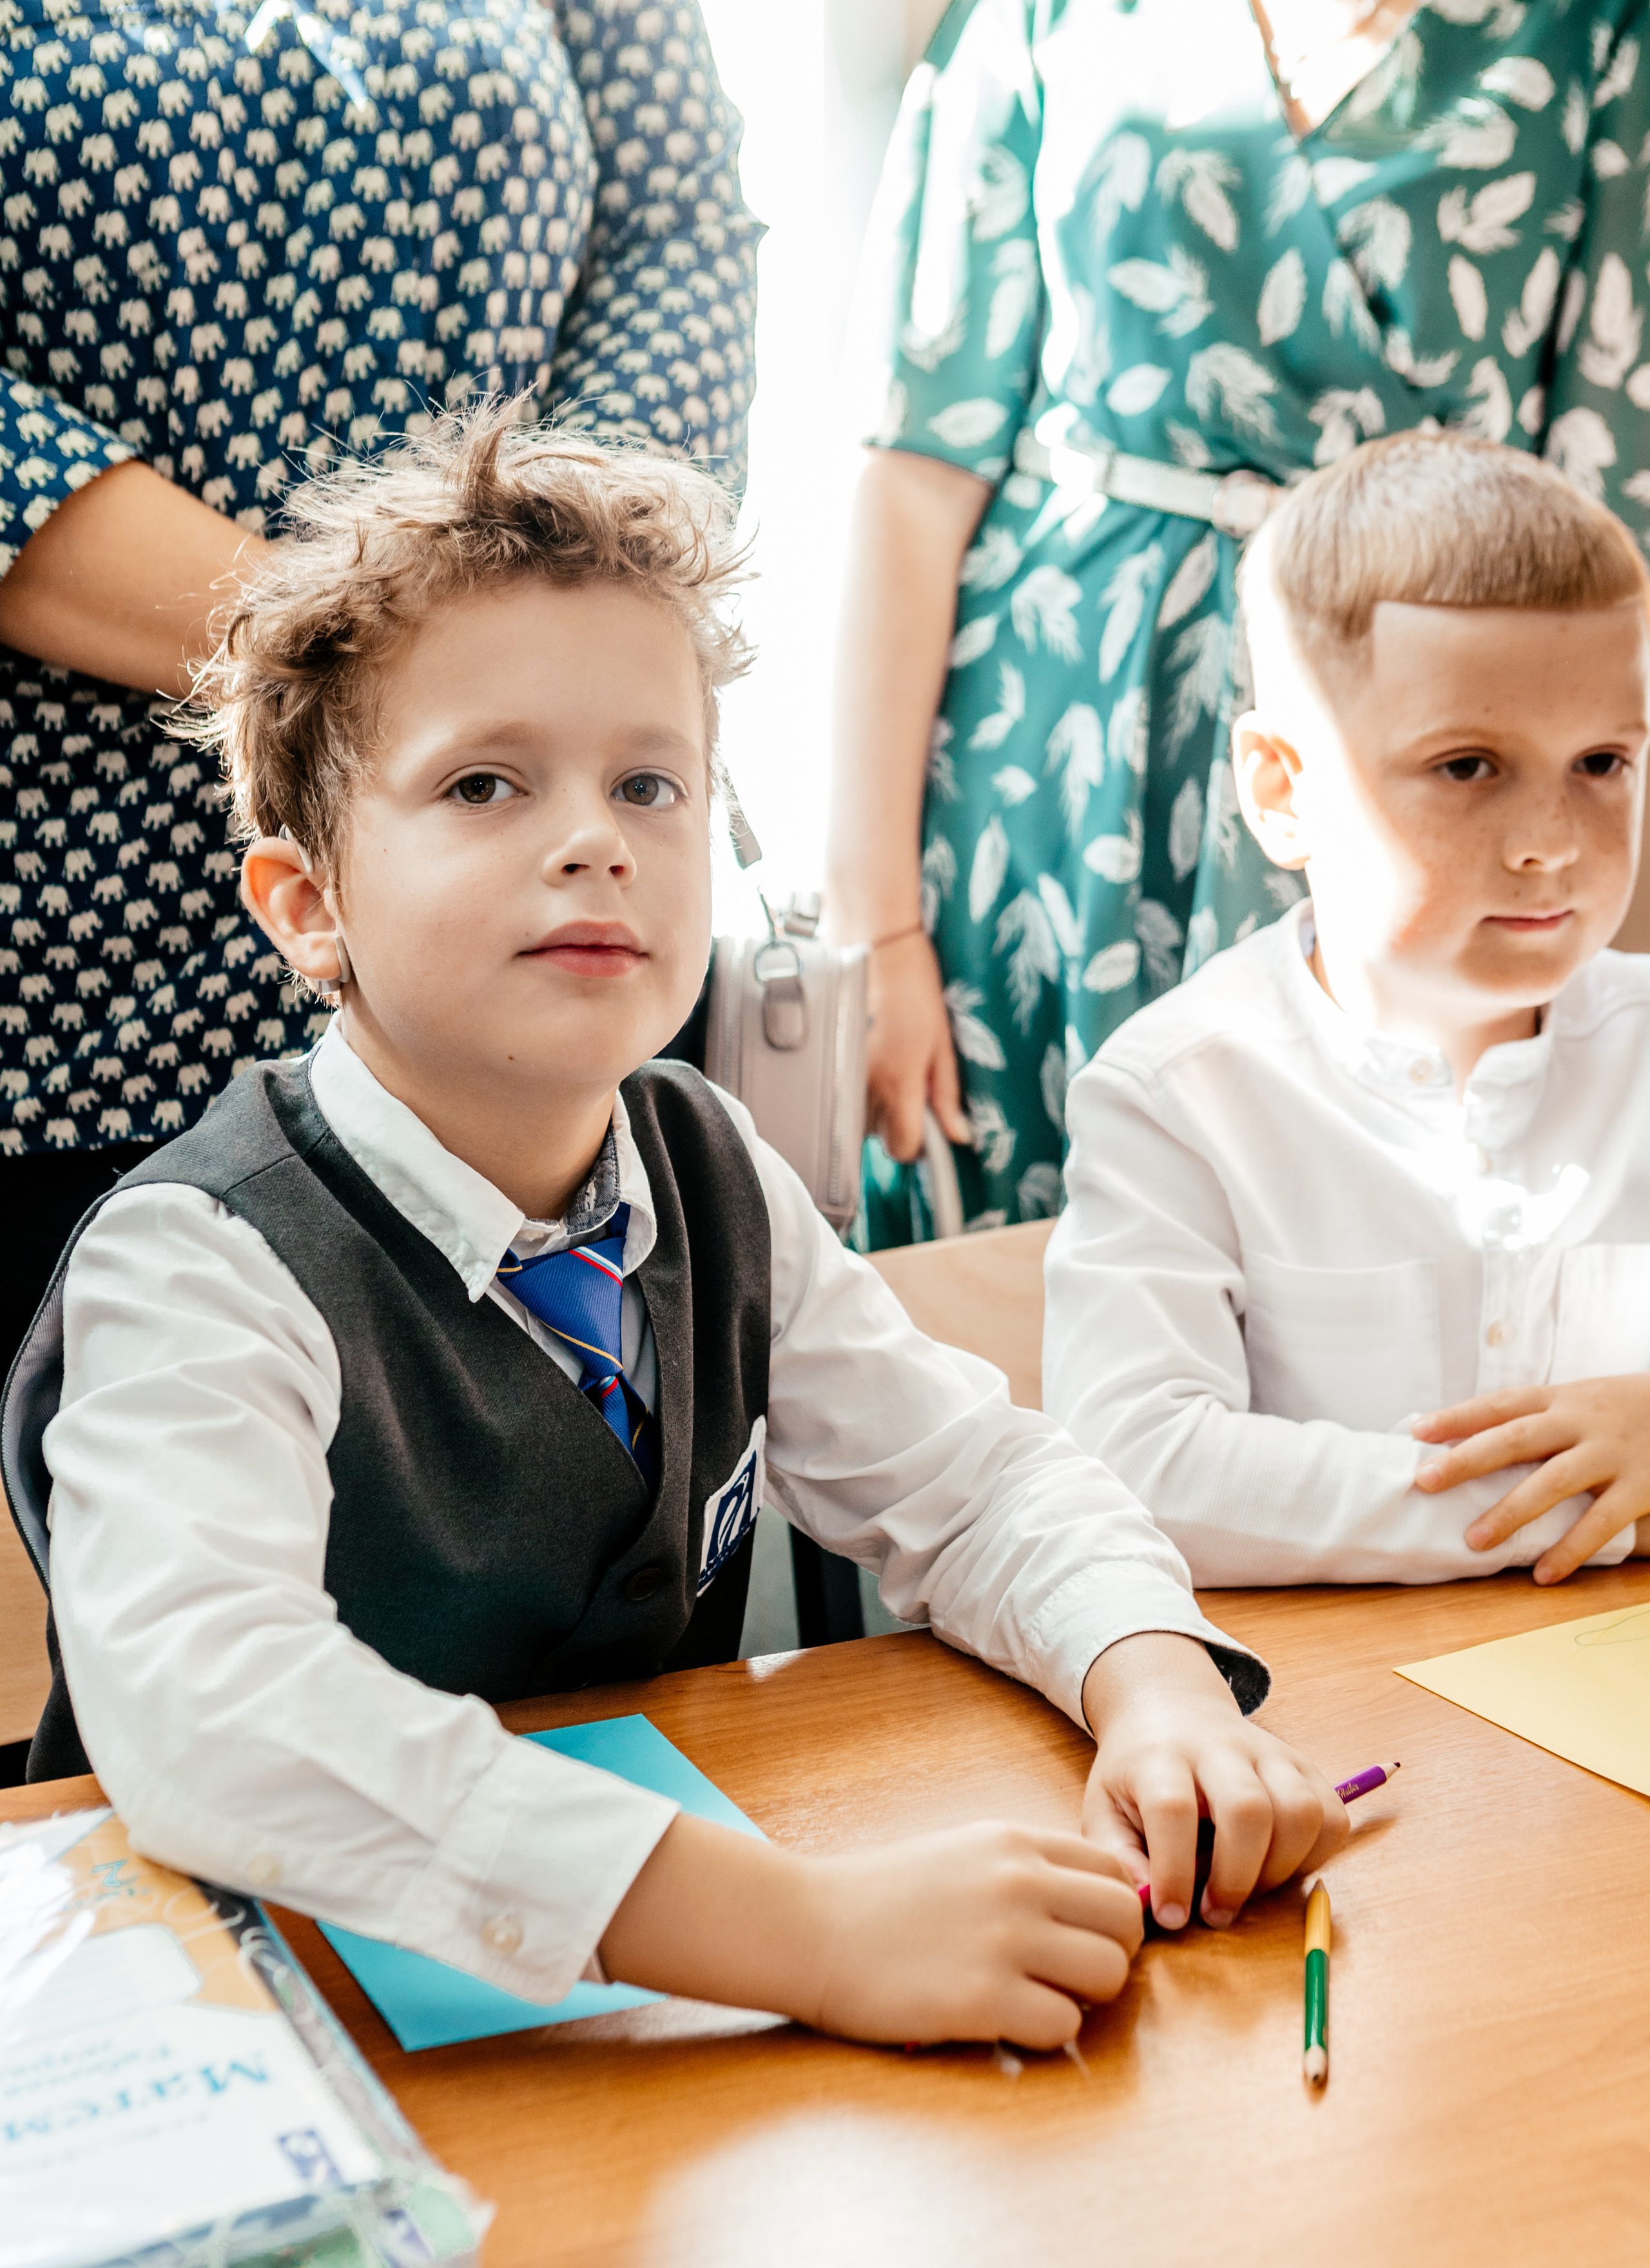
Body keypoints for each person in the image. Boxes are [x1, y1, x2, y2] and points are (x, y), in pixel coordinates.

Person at [3, 407, 1348, 2048]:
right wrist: (810, 1934)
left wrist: (1155, 1687)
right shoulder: (198, 1261)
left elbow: (974, 1483)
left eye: (650, 783)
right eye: (483, 784)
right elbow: (215, 1719)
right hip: (242, 2030)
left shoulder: (709, 1166)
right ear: (309, 907)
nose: (595, 841)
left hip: (622, 2023)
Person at [0, 0, 758, 1369]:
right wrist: (380, 678)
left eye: (655, 787)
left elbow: (676, 237)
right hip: (75, 957)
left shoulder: (717, 1161)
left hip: (539, 990)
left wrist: (541, 657)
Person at [827, 0, 1650, 1247]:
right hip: (1050, 758)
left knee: (1367, 1261)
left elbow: (1614, 518)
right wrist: (875, 920)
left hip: (1428, 761)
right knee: (1022, 1255)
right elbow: (916, 470)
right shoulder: (1044, 14)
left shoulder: (1595, 30)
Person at [1044, 430, 1650, 1589]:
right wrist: (1596, 1497)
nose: (1550, 844)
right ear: (1283, 790)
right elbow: (1136, 1470)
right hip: (1329, 1696)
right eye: (1468, 766)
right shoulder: (1178, 1093)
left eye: (1601, 764)